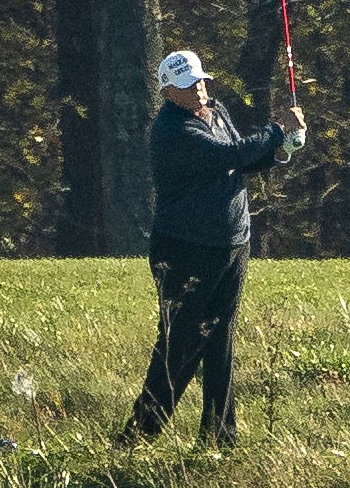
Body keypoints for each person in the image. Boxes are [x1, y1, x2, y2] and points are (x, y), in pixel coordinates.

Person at [117, 49, 306, 448]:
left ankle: (220, 437)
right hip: (186, 249)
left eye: (201, 80)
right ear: (168, 91)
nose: (199, 90)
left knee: (221, 339)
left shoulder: (215, 112)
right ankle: (137, 437)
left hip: (232, 243)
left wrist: (281, 149)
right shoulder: (172, 131)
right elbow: (228, 155)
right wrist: (276, 130)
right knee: (181, 342)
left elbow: (242, 160)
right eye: (189, 85)